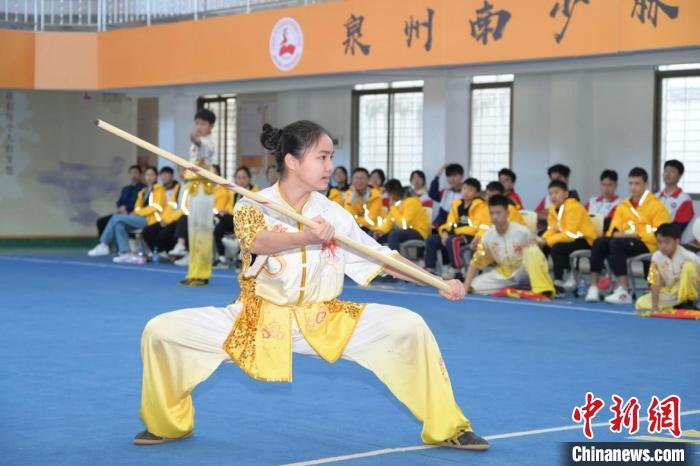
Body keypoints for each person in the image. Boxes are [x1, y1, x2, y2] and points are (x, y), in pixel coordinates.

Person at [133, 120, 488, 451]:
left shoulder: (334, 214)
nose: (330, 166)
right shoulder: (253, 204)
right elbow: (257, 242)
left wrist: (436, 281)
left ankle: (449, 427)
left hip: (325, 318)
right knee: (160, 331)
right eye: (322, 157)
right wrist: (306, 236)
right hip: (256, 319)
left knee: (409, 326)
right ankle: (168, 424)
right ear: (292, 161)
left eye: (331, 157)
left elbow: (382, 258)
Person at [585, 167, 670, 304]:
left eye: (637, 183)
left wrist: (637, 235)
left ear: (646, 184)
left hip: (647, 243)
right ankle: (593, 286)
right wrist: (617, 233)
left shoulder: (657, 206)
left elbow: (661, 232)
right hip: (626, 241)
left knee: (616, 243)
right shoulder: (624, 205)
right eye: (630, 183)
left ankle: (623, 290)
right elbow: (614, 228)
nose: (633, 187)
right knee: (599, 242)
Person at [463, 195, 555, 296]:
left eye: (498, 213)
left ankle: (543, 290)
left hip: (525, 271)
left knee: (532, 249)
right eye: (491, 213)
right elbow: (475, 262)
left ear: (507, 213)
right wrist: (466, 286)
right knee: (474, 286)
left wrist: (538, 243)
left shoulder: (521, 231)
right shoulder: (487, 237)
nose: (494, 217)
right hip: (504, 273)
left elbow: (539, 250)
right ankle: (518, 288)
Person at [88, 166, 166, 262]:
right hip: (140, 219)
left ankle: (103, 244)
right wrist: (136, 212)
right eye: (147, 175)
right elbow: (137, 207)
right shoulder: (143, 191)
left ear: (156, 176)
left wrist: (137, 212)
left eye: (152, 175)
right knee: (119, 224)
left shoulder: (160, 189)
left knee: (115, 217)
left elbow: (157, 207)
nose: (149, 177)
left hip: (151, 220)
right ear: (144, 177)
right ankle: (125, 252)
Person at [180, 108, 217, 286]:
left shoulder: (209, 142)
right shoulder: (195, 144)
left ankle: (202, 274)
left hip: (204, 191)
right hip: (194, 190)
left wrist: (196, 140)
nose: (199, 126)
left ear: (211, 126)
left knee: (203, 232)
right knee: (193, 233)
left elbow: (204, 149)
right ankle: (193, 272)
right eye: (197, 123)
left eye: (203, 123)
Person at [537, 180, 597, 289]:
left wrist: (548, 241)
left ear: (565, 194)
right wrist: (542, 240)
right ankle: (541, 278)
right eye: (550, 193)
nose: (553, 196)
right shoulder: (553, 209)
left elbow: (570, 234)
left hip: (585, 240)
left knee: (557, 248)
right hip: (570, 238)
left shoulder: (574, 207)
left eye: (556, 192)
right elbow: (552, 229)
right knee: (543, 246)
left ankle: (558, 282)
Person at [424, 178, 489, 279]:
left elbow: (479, 227)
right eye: (464, 188)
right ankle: (430, 269)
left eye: (470, 189)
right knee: (432, 239)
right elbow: (449, 223)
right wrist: (444, 232)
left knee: (453, 240)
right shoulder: (456, 204)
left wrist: (476, 237)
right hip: (454, 234)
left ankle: (457, 270)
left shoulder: (481, 206)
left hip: (471, 236)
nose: (466, 191)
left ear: (476, 193)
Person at [635, 223, 700, 311]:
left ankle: (688, 302)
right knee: (640, 302)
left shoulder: (688, 256)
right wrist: (654, 307)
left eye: (667, 242)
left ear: (677, 241)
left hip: (695, 293)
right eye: (659, 242)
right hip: (672, 293)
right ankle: (677, 306)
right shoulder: (656, 258)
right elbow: (655, 283)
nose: (663, 246)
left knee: (689, 266)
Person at [213, 166, 259, 266]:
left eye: (244, 177)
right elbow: (230, 208)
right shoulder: (233, 193)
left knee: (232, 219)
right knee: (220, 224)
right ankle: (222, 257)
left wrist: (230, 212)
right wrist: (224, 212)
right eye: (239, 178)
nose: (241, 180)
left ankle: (238, 249)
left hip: (248, 221)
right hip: (234, 219)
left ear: (249, 178)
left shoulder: (255, 192)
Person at [371, 179, 430, 251]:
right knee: (374, 235)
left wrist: (393, 208)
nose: (388, 197)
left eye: (388, 194)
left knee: (394, 235)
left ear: (393, 194)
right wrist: (381, 231)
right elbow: (388, 222)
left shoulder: (412, 202)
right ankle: (376, 257)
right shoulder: (397, 204)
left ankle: (394, 258)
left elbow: (404, 225)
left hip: (418, 232)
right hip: (404, 231)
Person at [140, 167, 181, 256]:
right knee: (147, 231)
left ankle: (166, 253)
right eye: (162, 175)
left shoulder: (178, 188)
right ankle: (160, 252)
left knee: (163, 233)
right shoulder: (158, 189)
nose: (164, 177)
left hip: (174, 218)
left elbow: (175, 207)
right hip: (162, 218)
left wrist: (167, 220)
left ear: (172, 176)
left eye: (167, 174)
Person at [96, 165, 144, 238]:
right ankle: (103, 243)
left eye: (135, 173)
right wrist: (121, 208)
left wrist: (126, 208)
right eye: (131, 173)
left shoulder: (143, 188)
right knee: (101, 221)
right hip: (121, 213)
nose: (133, 175)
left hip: (134, 214)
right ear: (129, 175)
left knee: (116, 222)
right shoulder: (125, 189)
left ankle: (105, 243)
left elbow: (138, 203)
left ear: (140, 175)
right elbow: (119, 202)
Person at [657, 159, 695, 234]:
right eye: (666, 171)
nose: (668, 174)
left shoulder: (685, 200)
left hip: (669, 238)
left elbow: (678, 228)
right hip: (650, 237)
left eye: (672, 171)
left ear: (680, 176)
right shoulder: (655, 196)